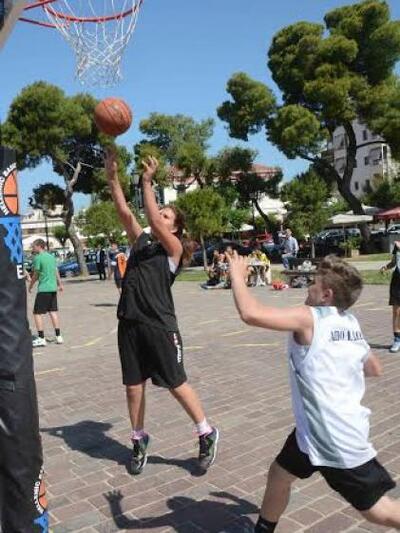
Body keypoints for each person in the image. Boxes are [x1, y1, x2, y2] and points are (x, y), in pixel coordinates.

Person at [227, 252, 400, 532]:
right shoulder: (349, 322)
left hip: (333, 437)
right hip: (311, 432)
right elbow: (374, 368)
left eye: (314, 283)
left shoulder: (309, 317)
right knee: (279, 474)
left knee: (381, 511)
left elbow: (251, 313)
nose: (308, 287)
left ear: (326, 295)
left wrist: (237, 275)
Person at [105, 150, 219, 476]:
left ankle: (206, 432)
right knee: (133, 386)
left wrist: (146, 181)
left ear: (176, 228)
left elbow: (152, 220)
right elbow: (125, 212)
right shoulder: (141, 242)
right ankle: (138, 438)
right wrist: (113, 177)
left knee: (175, 383)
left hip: (159, 325)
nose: (160, 217)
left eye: (167, 216)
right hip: (129, 323)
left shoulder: (174, 250)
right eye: (162, 213)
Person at [29, 239, 63, 347]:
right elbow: (55, 271)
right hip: (53, 288)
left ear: (39, 246)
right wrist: (60, 284)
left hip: (44, 289)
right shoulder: (51, 257)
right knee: (53, 311)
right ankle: (59, 336)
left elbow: (36, 274)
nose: (32, 248)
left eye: (33, 246)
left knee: (37, 313)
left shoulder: (38, 258)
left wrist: (30, 285)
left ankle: (41, 338)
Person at [380, 240, 400, 352]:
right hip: (397, 282)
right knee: (396, 312)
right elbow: (394, 262)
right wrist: (385, 267)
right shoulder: (397, 246)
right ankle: (397, 339)